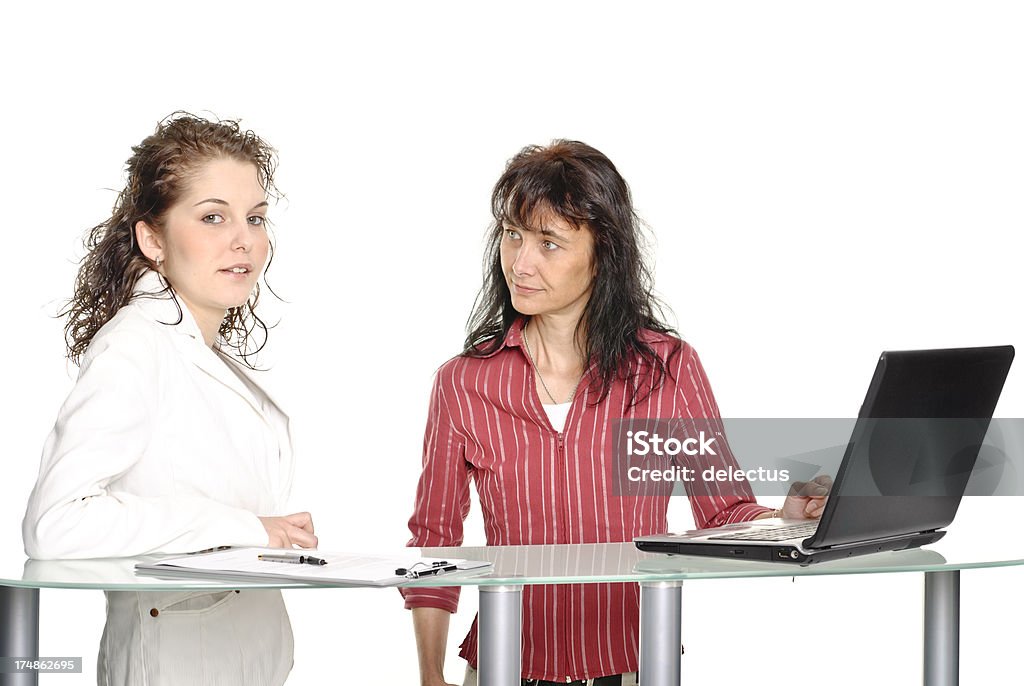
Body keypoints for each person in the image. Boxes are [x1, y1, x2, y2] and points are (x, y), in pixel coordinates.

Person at [402, 141, 827, 686]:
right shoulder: (463, 382)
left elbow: (723, 513)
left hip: (634, 668)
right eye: (513, 235)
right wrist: (430, 676)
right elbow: (434, 540)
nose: (521, 263)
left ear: (603, 252)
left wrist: (783, 524)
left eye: (549, 243)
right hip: (501, 669)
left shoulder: (668, 369)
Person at [22, 113, 316, 686]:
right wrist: (250, 527)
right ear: (152, 238)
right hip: (177, 664)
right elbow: (56, 523)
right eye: (213, 217)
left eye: (255, 218)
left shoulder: (195, 348)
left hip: (240, 656)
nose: (244, 240)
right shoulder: (135, 348)